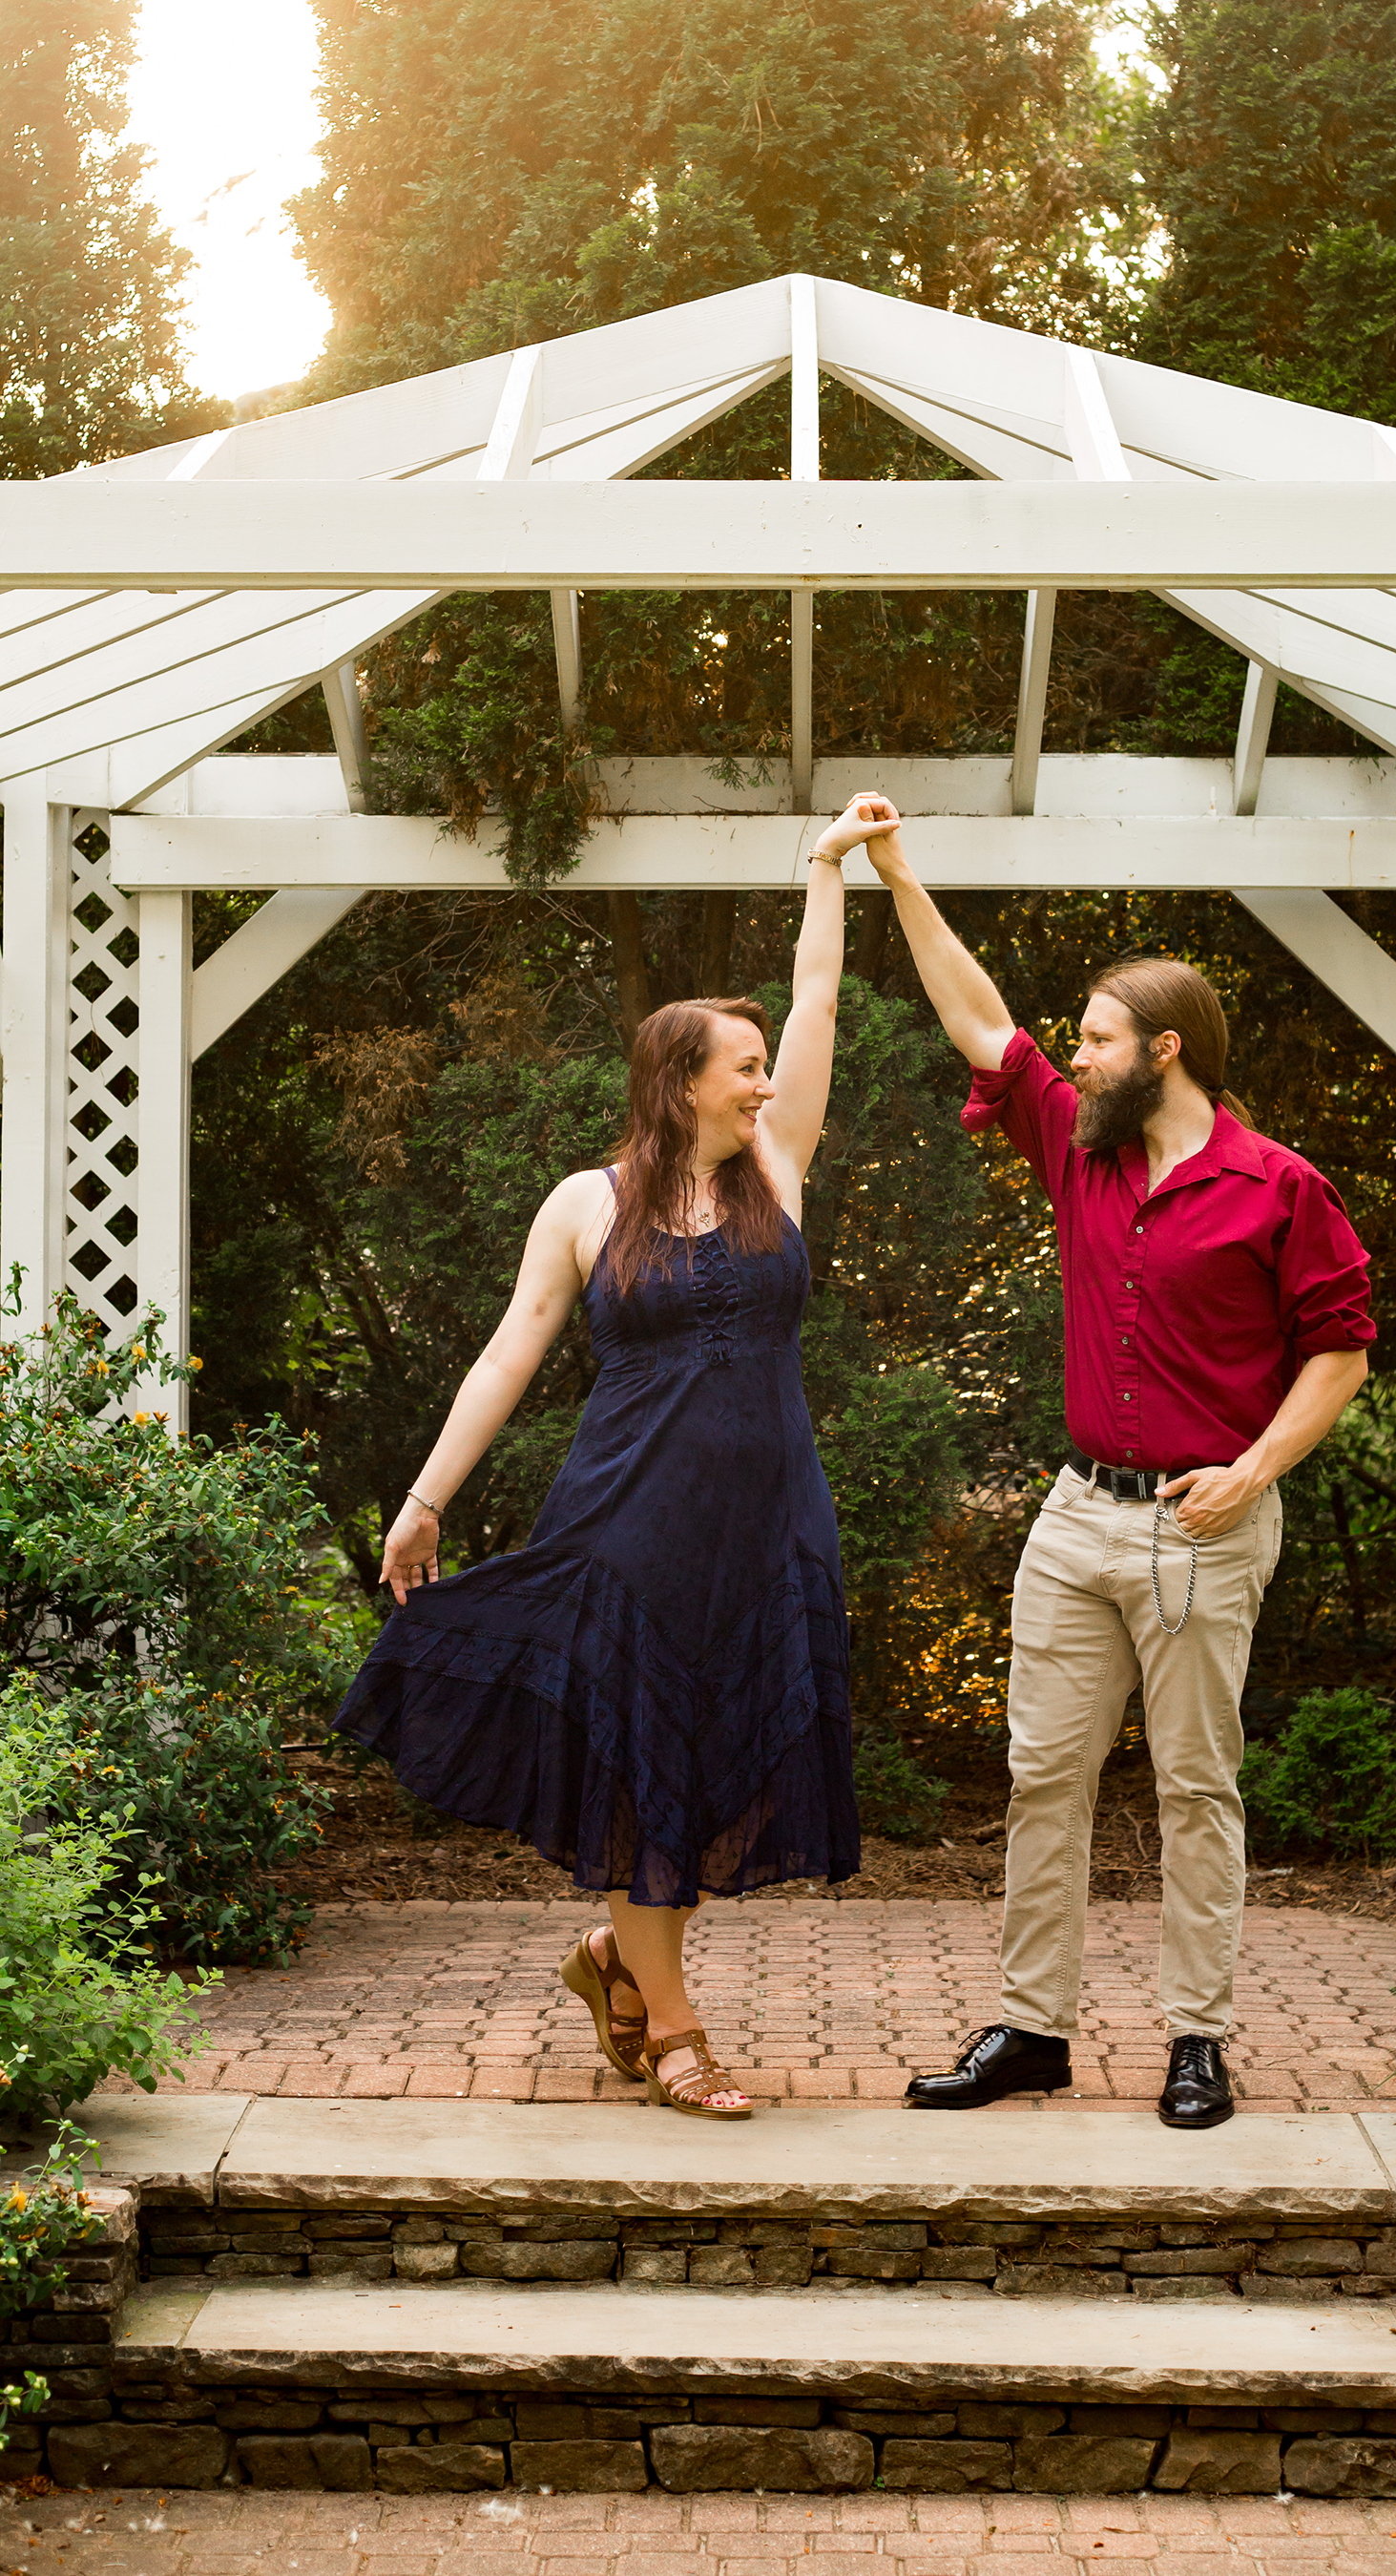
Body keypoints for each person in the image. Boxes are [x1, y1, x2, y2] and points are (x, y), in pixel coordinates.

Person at [332, 794, 901, 2121]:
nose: (762, 1078)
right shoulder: (586, 1206)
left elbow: (819, 1000)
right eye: (739, 1063)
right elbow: (507, 1353)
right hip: (630, 1518)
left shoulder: (782, 1172)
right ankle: (678, 2024)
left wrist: (828, 871)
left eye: (765, 1064)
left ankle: (612, 1958)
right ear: (677, 1078)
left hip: (768, 1518)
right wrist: (425, 1502)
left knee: (711, 1755)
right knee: (649, 1753)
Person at [865, 804, 1375, 2129]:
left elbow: (1342, 1354)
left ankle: (1197, 2035)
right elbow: (981, 1021)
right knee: (1045, 1773)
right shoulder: (1075, 1147)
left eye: (1093, 1038)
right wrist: (898, 874)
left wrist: (1256, 1468)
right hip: (1078, 1516)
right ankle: (1034, 2027)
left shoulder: (1280, 1187)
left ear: (1163, 1050)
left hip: (1208, 1522)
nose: (1071, 1055)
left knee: (1197, 1786)